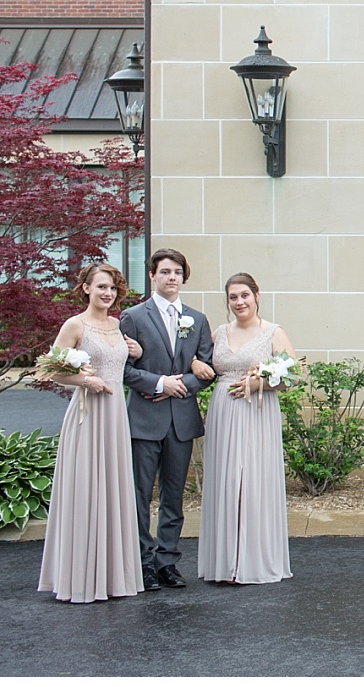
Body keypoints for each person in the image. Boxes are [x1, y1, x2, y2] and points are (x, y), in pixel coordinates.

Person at [38, 264, 143, 602]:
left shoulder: (117, 324)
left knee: (113, 488)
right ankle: (81, 577)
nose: (107, 293)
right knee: (86, 487)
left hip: (115, 415)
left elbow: (123, 363)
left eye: (112, 287)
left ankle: (113, 577)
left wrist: (136, 353)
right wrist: (86, 379)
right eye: (100, 287)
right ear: (85, 288)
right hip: (87, 413)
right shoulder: (75, 324)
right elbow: (49, 371)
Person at [119, 248, 215, 591]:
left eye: (176, 272)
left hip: (181, 420)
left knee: (174, 496)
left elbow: (207, 370)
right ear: (152, 276)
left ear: (183, 277)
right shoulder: (132, 316)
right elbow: (124, 368)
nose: (171, 277)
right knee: (141, 494)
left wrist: (179, 385)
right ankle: (143, 563)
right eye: (164, 272)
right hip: (144, 419)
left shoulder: (197, 319)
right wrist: (159, 382)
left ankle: (167, 562)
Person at [198, 272, 294, 585]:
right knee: (226, 482)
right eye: (233, 297)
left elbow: (292, 376)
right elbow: (202, 364)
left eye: (244, 295)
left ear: (256, 295)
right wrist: (192, 365)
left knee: (254, 482)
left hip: (258, 412)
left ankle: (255, 560)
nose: (239, 302)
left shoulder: (273, 332)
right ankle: (225, 562)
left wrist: (262, 382)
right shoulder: (219, 333)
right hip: (224, 412)